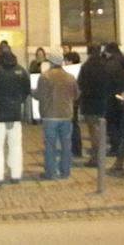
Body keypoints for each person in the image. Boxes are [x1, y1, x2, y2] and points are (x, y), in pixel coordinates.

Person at [0, 49, 30, 184]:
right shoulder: (20, 70)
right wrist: (18, 101)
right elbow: (26, 89)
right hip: (15, 113)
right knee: (15, 145)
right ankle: (16, 174)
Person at [33, 52, 79, 180]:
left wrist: (32, 91)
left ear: (50, 62)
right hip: (66, 114)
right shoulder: (70, 77)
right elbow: (76, 95)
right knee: (66, 145)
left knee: (50, 145)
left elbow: (40, 96)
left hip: (50, 115)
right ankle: (65, 171)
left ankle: (51, 172)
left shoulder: (45, 76)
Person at [77, 44, 108, 167]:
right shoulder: (104, 65)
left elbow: (81, 84)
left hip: (89, 103)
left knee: (93, 131)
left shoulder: (86, 66)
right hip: (102, 102)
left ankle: (95, 158)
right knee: (100, 130)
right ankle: (101, 156)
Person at [103, 42, 124, 156]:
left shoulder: (111, 64)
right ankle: (122, 146)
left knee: (112, 124)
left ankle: (115, 148)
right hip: (122, 96)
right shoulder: (123, 60)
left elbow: (106, 81)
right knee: (121, 123)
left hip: (112, 97)